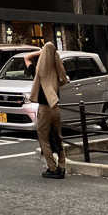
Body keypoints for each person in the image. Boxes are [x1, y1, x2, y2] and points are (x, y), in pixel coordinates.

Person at [28, 42, 69, 179]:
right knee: (58, 137)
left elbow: (27, 58)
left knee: (43, 138)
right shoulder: (56, 71)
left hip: (44, 109)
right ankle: (62, 166)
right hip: (55, 107)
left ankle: (52, 168)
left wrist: (40, 51)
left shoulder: (40, 70)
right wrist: (54, 54)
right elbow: (65, 79)